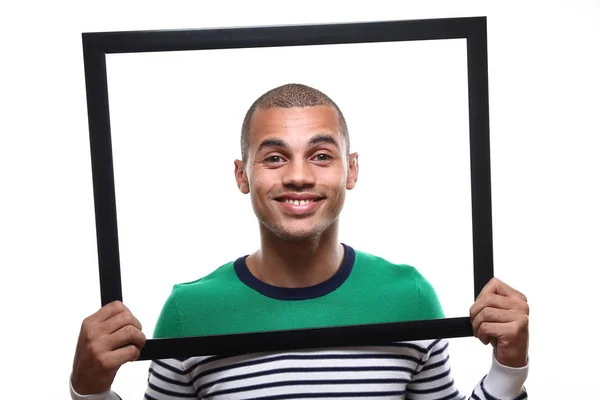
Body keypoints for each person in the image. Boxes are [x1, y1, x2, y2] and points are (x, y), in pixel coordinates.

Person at [70, 83, 529, 399]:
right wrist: (88, 390)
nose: (298, 176)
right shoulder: (189, 313)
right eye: (274, 157)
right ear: (241, 174)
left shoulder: (408, 295)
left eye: (321, 155)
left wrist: (509, 368)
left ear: (350, 169)